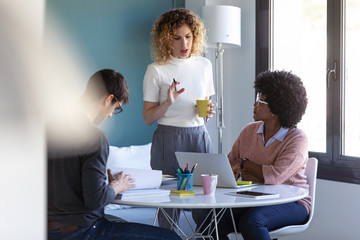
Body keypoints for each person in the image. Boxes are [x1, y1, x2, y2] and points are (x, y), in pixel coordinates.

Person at [47, 69, 181, 240]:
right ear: (108, 99)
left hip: (48, 230)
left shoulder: (50, 127)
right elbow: (95, 201)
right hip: (82, 231)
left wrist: (104, 184)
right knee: (171, 238)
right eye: (116, 108)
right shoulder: (94, 137)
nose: (110, 115)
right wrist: (118, 186)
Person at [193, 70, 311, 240]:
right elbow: (228, 162)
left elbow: (275, 176)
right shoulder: (249, 131)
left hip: (291, 202)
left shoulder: (296, 139)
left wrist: (243, 164)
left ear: (277, 108)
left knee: (252, 222)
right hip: (253, 198)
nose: (255, 104)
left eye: (261, 101)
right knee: (208, 219)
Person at [143, 8, 216, 229]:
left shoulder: (204, 65)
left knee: (206, 203)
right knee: (169, 206)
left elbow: (204, 112)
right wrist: (168, 103)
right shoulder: (156, 70)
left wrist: (207, 113)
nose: (184, 44)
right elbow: (147, 118)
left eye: (188, 36)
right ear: (166, 40)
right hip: (168, 138)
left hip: (199, 137)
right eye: (176, 38)